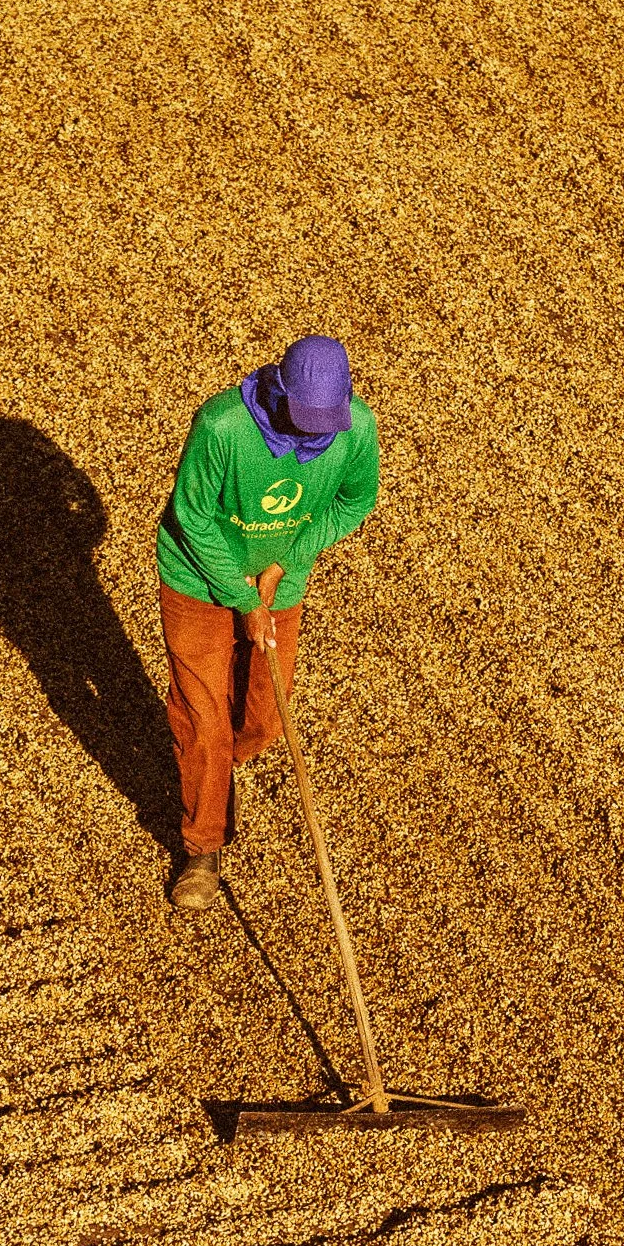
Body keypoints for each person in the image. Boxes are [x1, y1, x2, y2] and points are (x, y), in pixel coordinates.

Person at [156, 334, 381, 910]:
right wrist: (241, 595)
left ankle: (214, 765)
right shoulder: (223, 427)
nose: (313, 433)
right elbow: (192, 515)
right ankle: (203, 845)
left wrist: (285, 562)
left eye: (322, 423)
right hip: (197, 583)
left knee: (262, 719)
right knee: (206, 723)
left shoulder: (356, 429)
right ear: (278, 391)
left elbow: (354, 503)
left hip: (280, 583)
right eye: (302, 420)